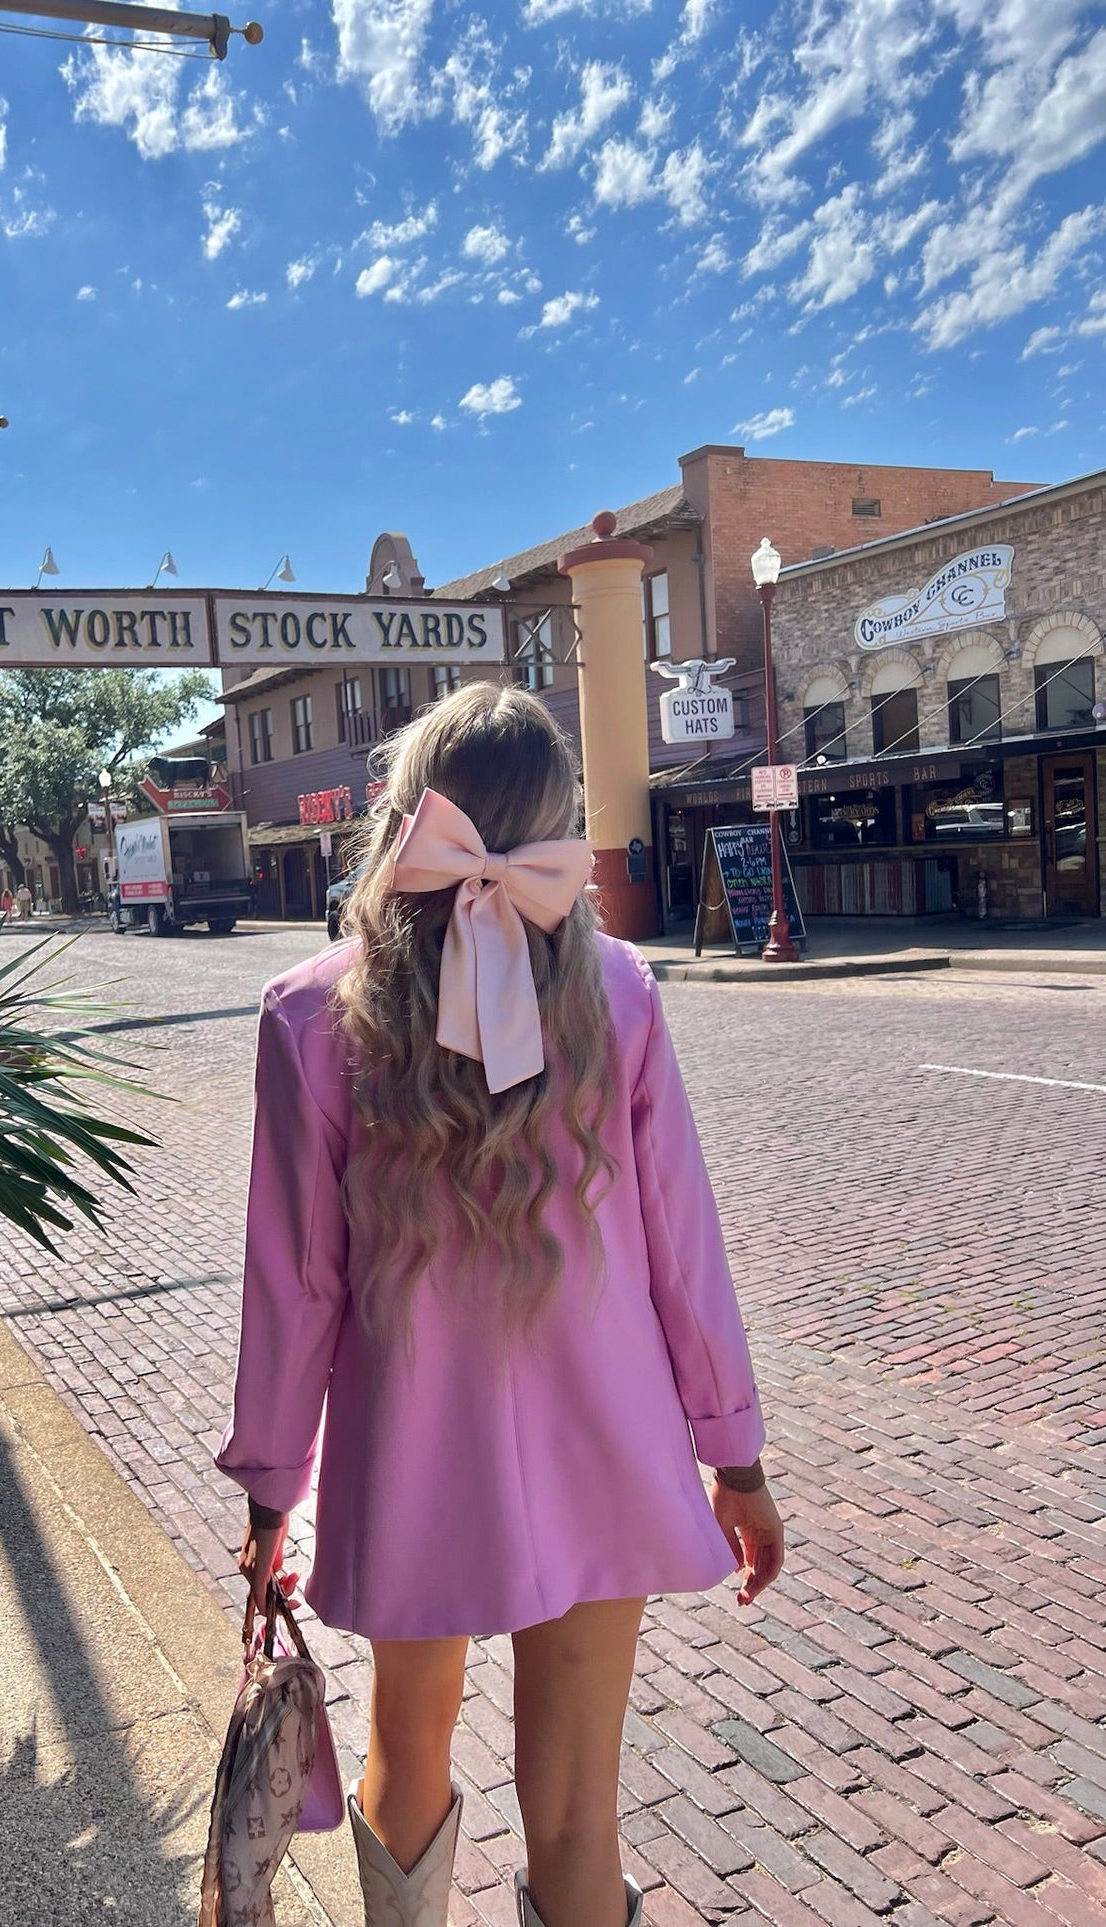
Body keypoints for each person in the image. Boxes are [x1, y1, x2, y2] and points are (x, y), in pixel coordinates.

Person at [215, 684, 785, 1927]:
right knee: (580, 1808)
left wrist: (272, 1492)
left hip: (418, 1453)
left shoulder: (310, 1014)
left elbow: (294, 1286)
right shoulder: (621, 993)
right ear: (554, 826)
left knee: (406, 1752)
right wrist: (732, 1457)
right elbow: (681, 1251)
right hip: (608, 1441)